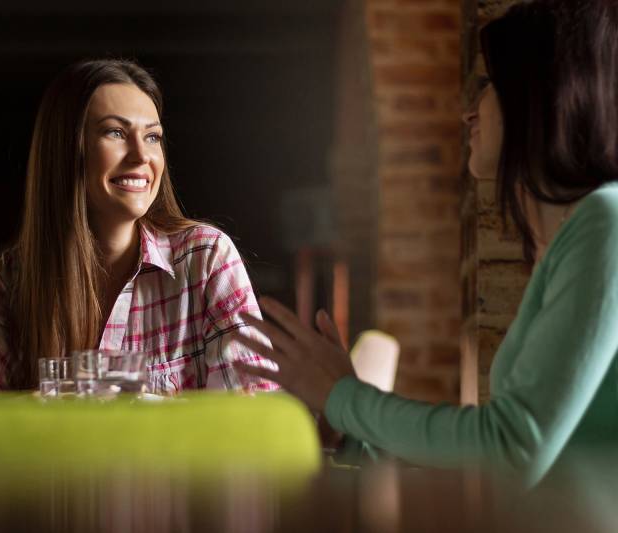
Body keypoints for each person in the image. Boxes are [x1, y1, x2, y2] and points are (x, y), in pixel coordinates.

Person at [234, 0, 618, 488]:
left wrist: (344, 397)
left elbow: (512, 445)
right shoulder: (567, 243)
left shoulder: (606, 222)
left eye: (490, 86)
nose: (468, 113)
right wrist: (348, 422)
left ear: (543, 95)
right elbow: (488, 451)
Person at [0, 59, 275, 394]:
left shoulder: (206, 258)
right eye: (115, 132)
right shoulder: (16, 279)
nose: (141, 155)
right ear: (68, 150)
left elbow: (254, 415)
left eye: (153, 137)